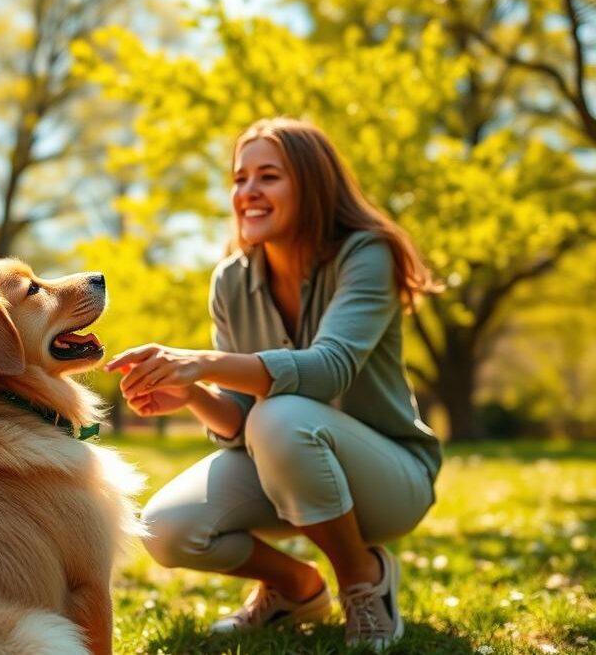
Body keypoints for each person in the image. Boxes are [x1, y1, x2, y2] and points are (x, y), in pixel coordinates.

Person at [105, 117, 443, 651]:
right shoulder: (232, 280)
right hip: (285, 462)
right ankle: (296, 588)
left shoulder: (366, 253)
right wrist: (192, 393)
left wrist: (204, 361)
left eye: (269, 176)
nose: (248, 192)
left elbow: (330, 368)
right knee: (166, 528)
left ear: (312, 184)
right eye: (240, 179)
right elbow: (242, 422)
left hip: (391, 481)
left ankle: (363, 581)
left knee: (280, 415)